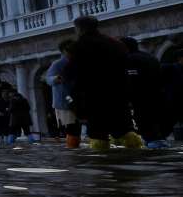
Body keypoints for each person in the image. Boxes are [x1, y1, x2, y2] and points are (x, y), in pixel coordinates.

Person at [68, 15, 142, 150]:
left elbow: (77, 75)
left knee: (98, 133)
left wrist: (75, 98)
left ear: (79, 29)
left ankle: (102, 163)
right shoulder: (115, 43)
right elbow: (125, 68)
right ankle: (137, 154)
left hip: (93, 96)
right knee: (124, 128)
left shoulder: (78, 47)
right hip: (118, 93)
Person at [123, 37, 167, 148]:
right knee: (157, 127)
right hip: (158, 96)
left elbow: (133, 81)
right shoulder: (150, 57)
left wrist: (128, 99)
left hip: (142, 98)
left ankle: (154, 148)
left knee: (147, 126)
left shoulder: (130, 59)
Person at [46, 41, 80, 148]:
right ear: (64, 50)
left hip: (77, 96)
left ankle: (74, 145)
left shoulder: (78, 61)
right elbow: (49, 79)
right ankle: (72, 147)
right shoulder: (58, 64)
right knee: (71, 124)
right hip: (66, 97)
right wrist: (57, 78)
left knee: (76, 123)